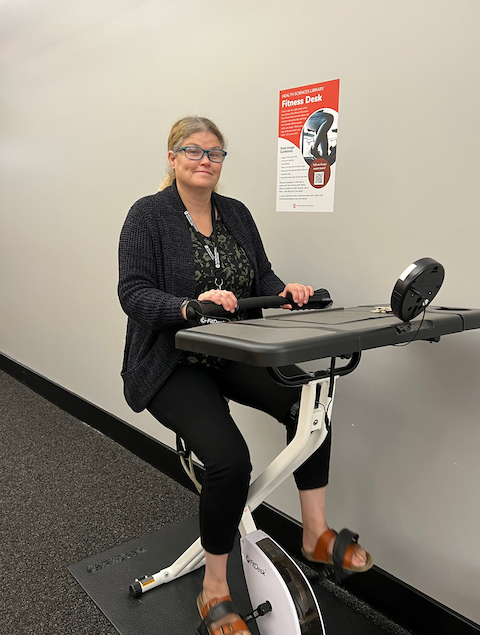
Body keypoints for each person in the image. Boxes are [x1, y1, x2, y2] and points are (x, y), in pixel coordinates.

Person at [118, 116, 372, 635]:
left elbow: (261, 276)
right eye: (192, 150)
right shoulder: (147, 216)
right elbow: (134, 293)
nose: (204, 160)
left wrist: (288, 291)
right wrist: (190, 306)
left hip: (233, 354)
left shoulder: (235, 213)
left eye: (215, 153)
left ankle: (315, 533)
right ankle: (214, 588)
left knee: (311, 400)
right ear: (172, 158)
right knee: (230, 460)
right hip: (172, 360)